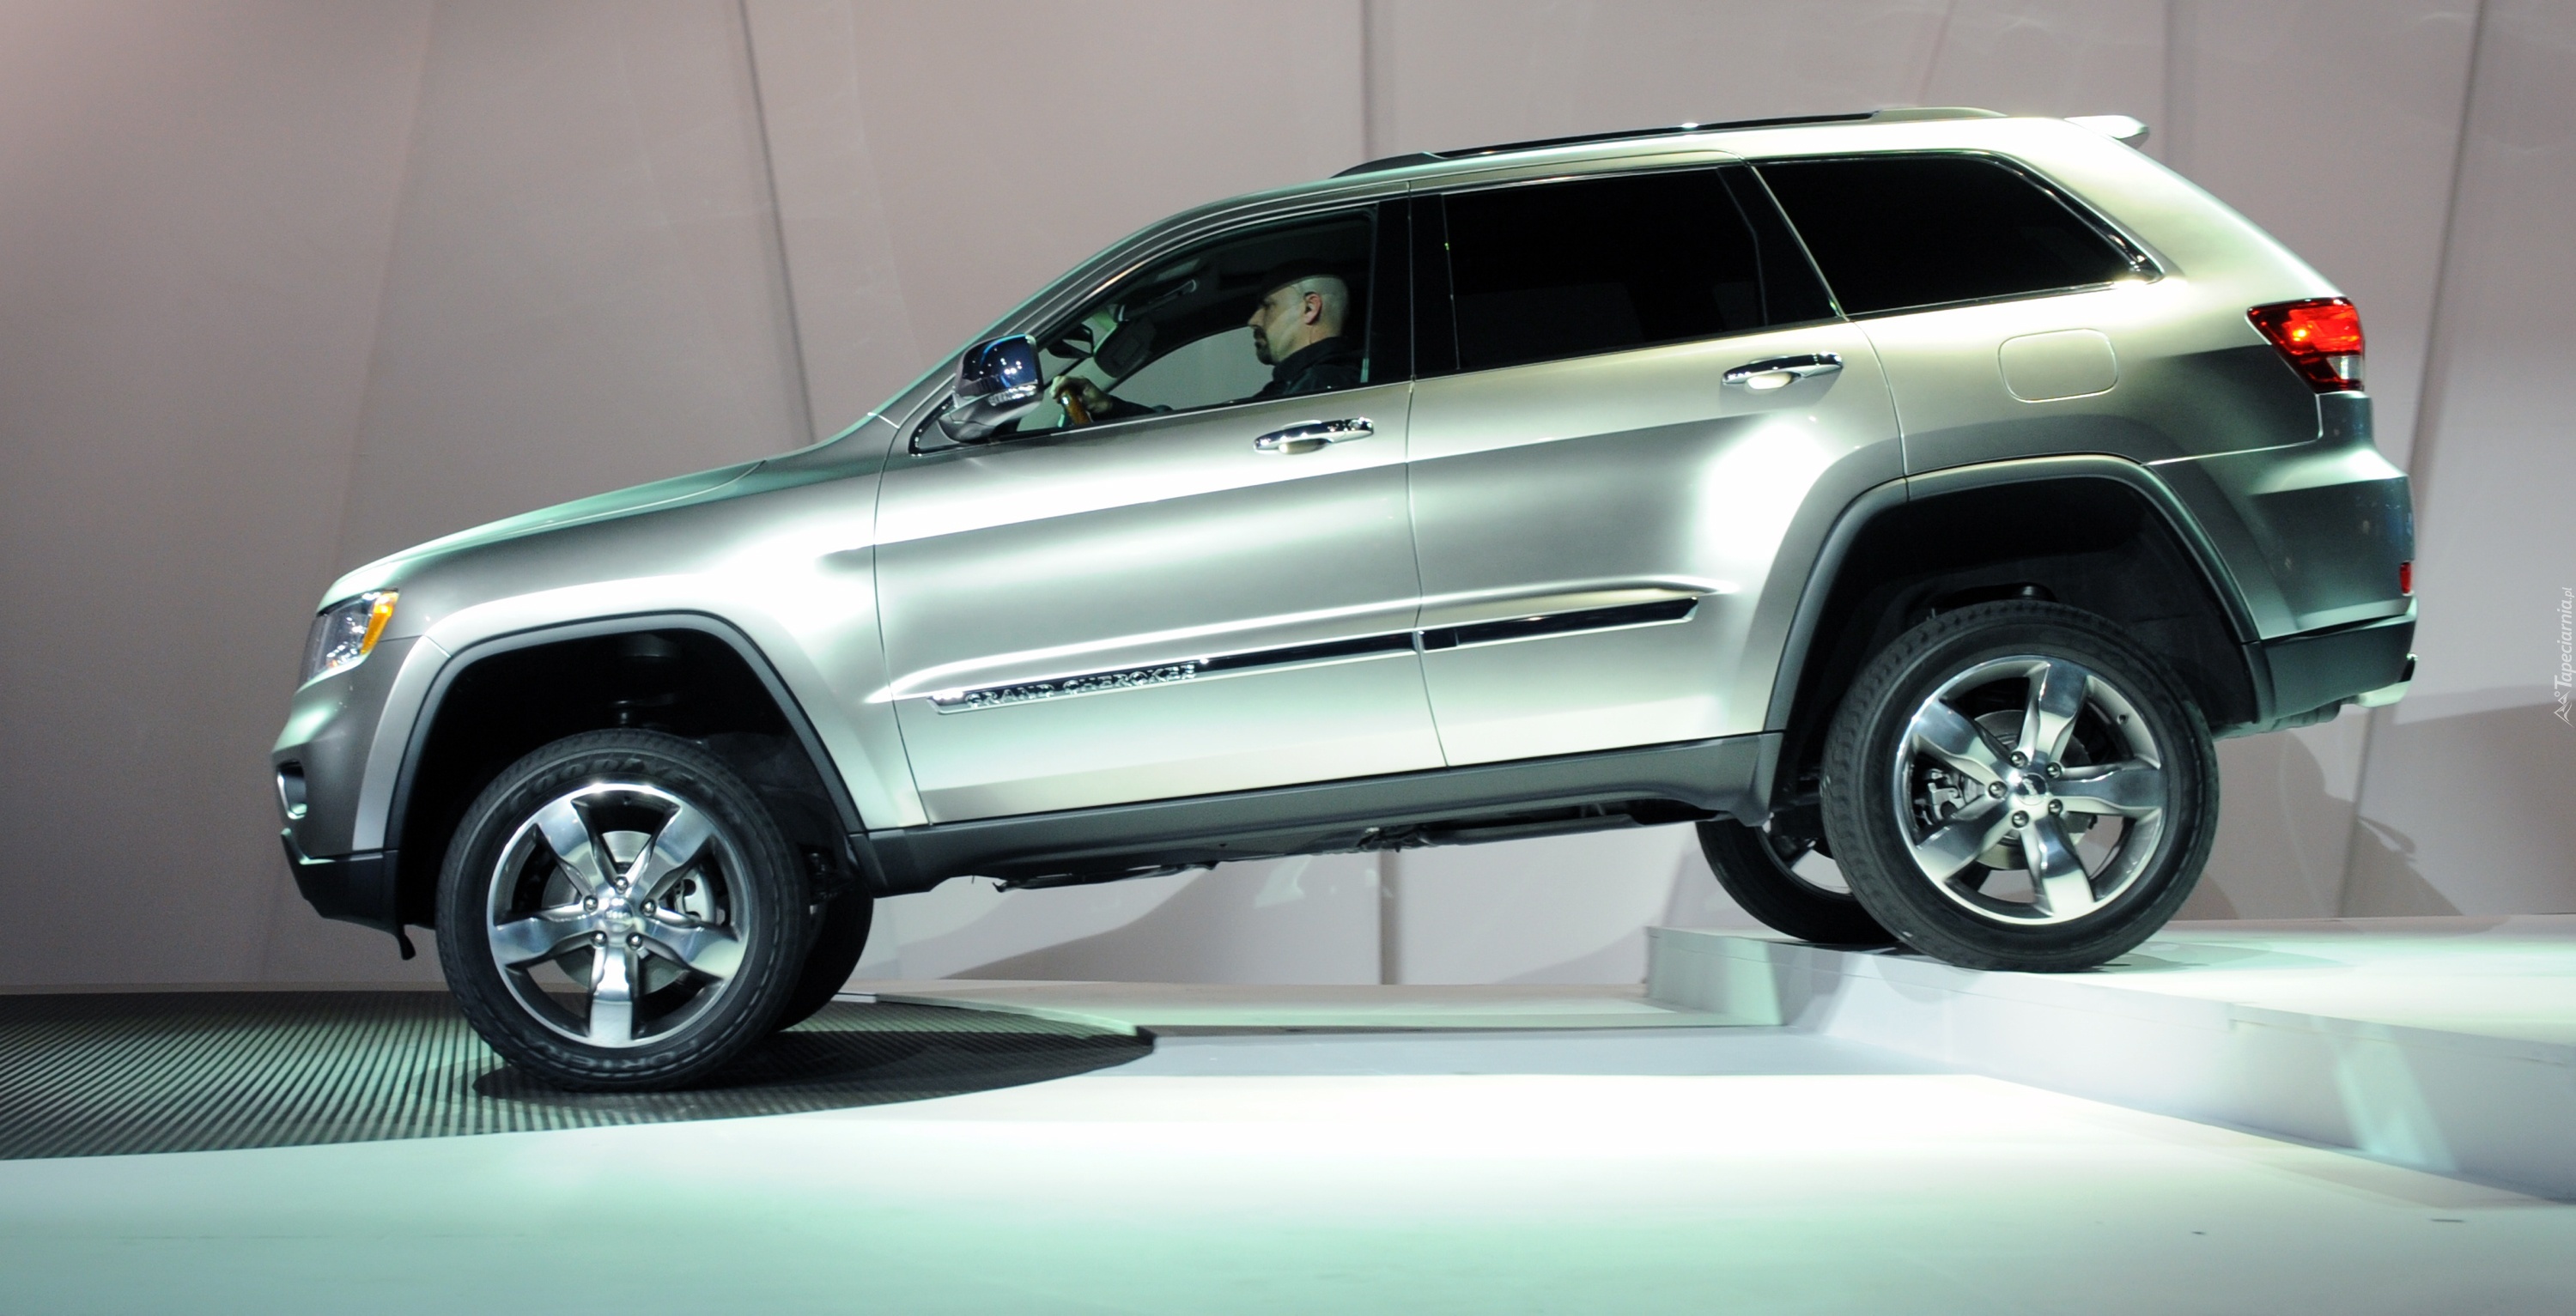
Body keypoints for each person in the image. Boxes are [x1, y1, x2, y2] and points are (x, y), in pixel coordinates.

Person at [1054, 265, 1361, 422]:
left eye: (1267, 306)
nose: (1253, 320)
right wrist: (1110, 407)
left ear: (1310, 307)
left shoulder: (1324, 388)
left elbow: (1220, 440)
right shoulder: (1305, 386)